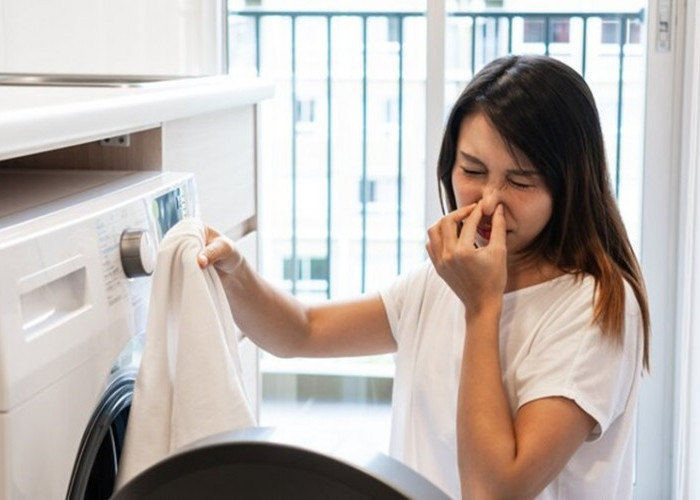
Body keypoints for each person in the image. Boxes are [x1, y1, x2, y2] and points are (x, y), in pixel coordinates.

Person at [197, 54, 650, 499]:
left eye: (521, 180)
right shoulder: (446, 280)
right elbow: (303, 332)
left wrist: (481, 306)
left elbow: (493, 492)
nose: (489, 201)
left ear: (569, 184)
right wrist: (235, 271)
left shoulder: (596, 306)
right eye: (472, 170)